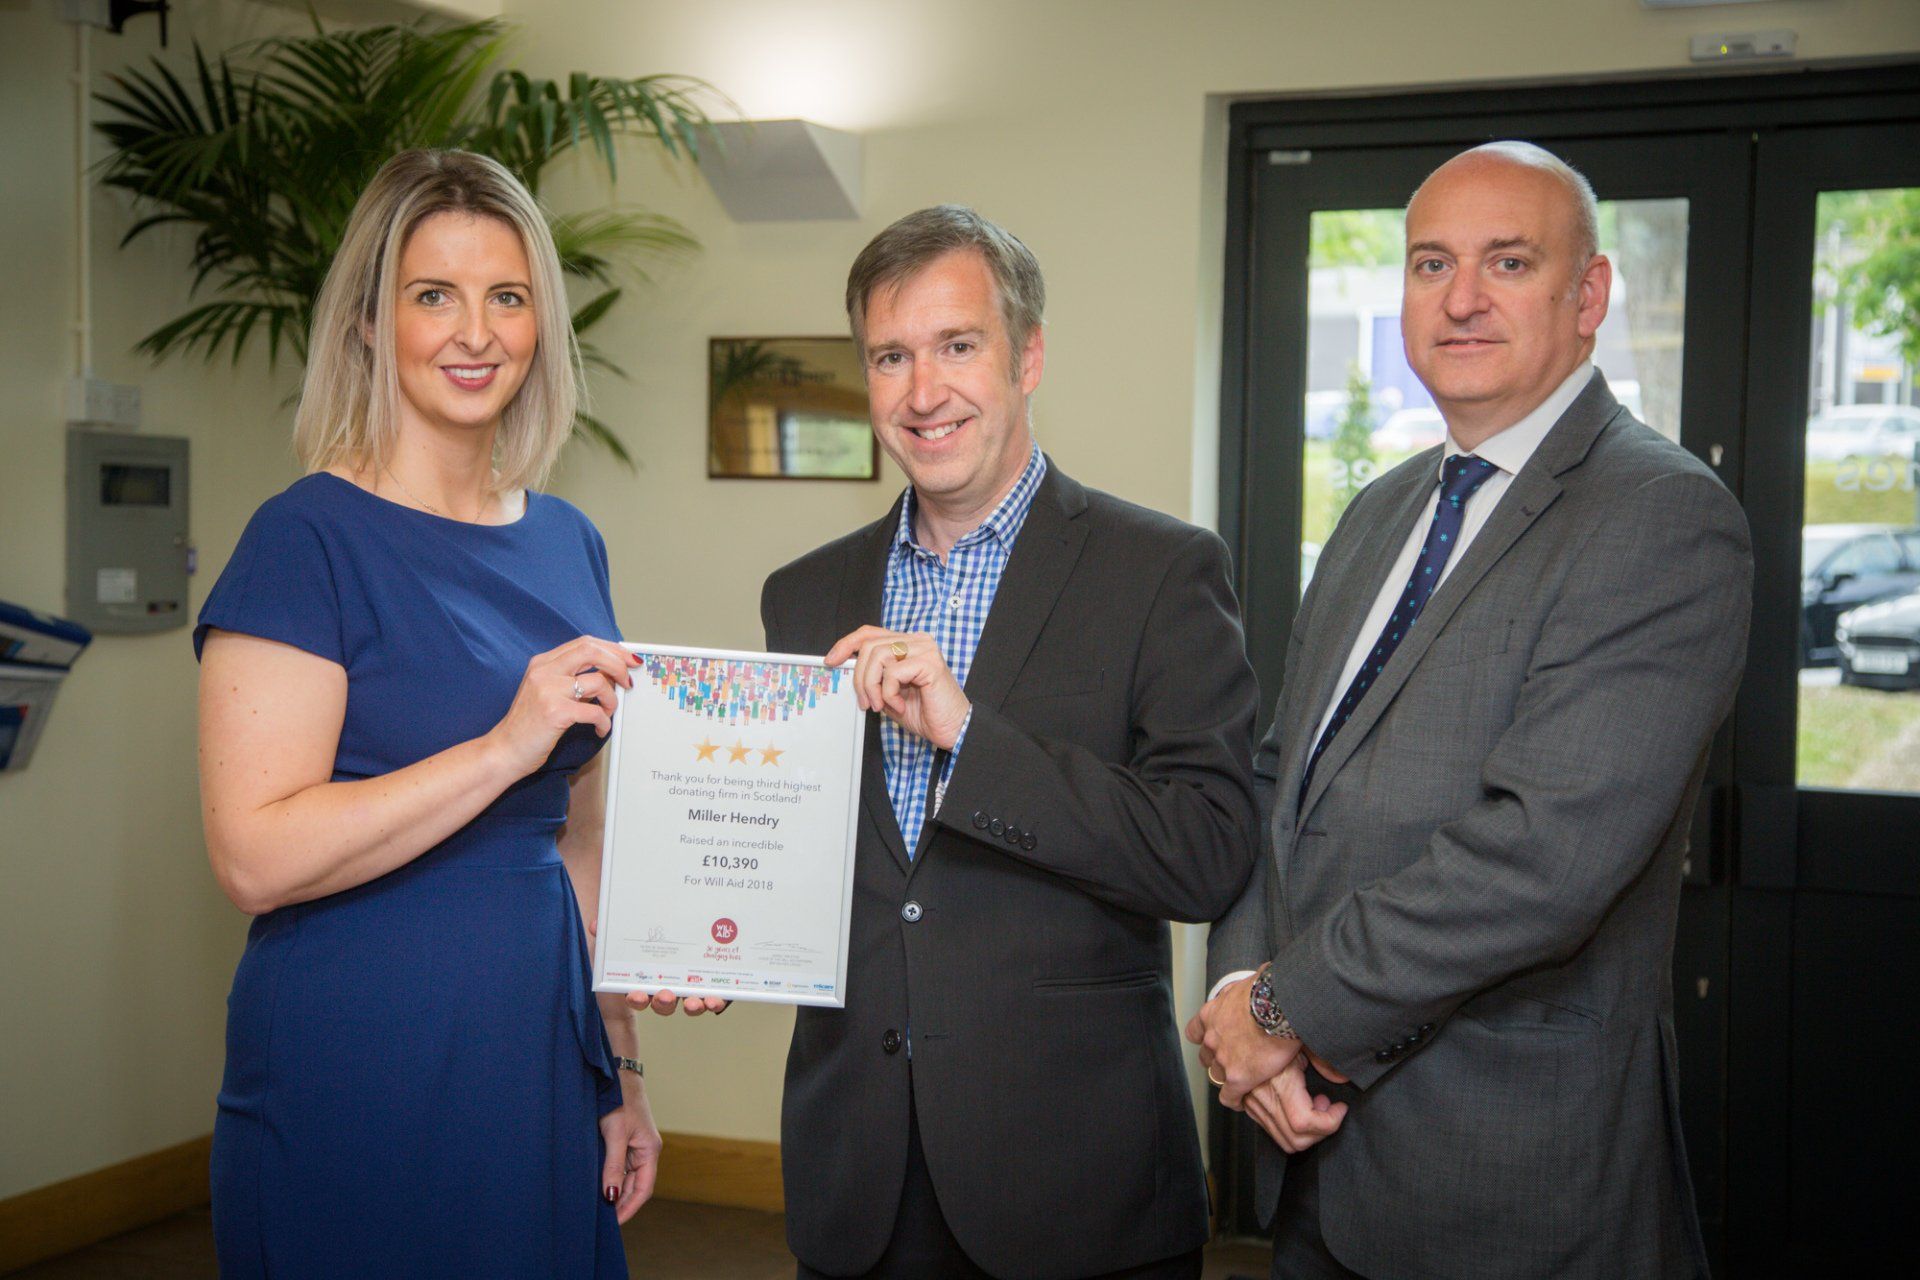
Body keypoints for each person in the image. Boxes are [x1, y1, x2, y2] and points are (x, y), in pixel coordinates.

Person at [1191, 141, 1753, 1280]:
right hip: (1314, 1168)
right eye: (1431, 263)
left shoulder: (1660, 516)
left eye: (1508, 261)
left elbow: (1541, 858)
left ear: (1588, 296)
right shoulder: (1381, 511)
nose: (1459, 299)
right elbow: (1278, 778)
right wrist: (1240, 999)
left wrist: (1286, 1007)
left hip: (1510, 1180)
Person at [194, 148, 715, 1278]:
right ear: (369, 323)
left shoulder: (569, 540)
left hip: (538, 1052)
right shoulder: (304, 538)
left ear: (541, 325)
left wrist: (621, 1062)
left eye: (507, 297)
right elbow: (252, 856)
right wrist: (500, 748)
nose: (475, 333)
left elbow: (578, 837)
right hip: (357, 1057)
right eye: (434, 295)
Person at [758, 205, 1259, 1279]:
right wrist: (711, 937)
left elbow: (1207, 850)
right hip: (859, 1178)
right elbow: (798, 856)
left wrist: (968, 736)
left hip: (1077, 1180)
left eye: (957, 345)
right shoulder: (802, 594)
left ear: (1028, 356)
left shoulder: (1160, 572)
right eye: (890, 356)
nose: (922, 391)